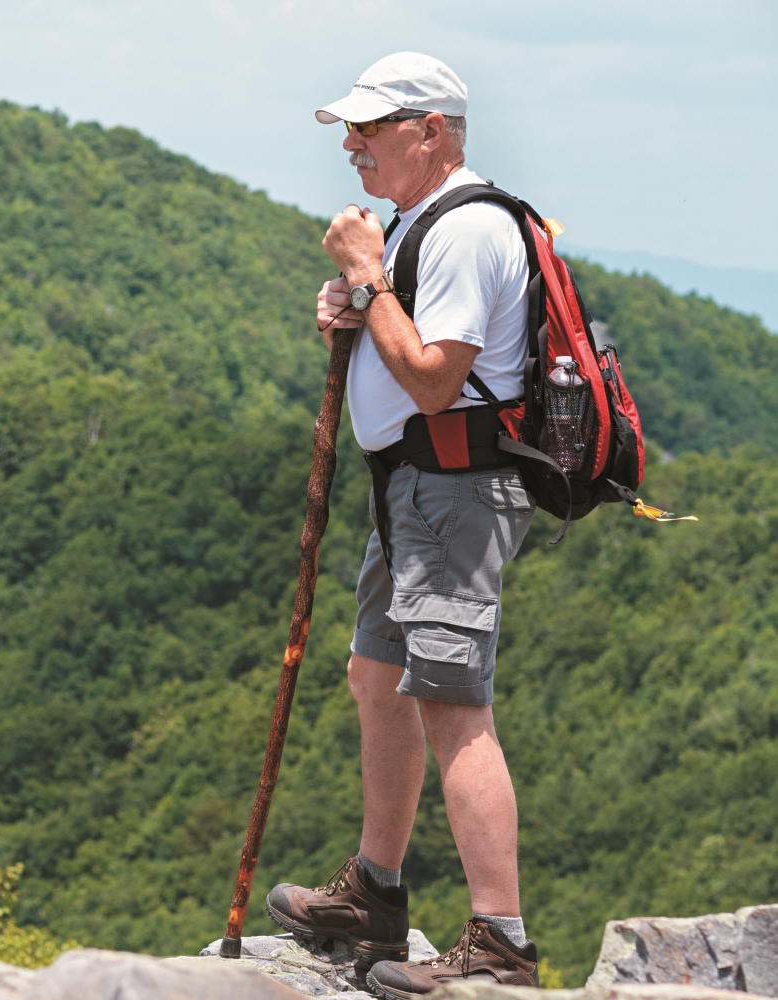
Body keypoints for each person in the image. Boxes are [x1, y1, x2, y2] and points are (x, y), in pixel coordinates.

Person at [263, 52, 541, 996]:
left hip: (455, 493)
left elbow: (433, 378)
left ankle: (500, 943)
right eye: (349, 128)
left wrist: (366, 280)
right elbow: (405, 348)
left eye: (370, 127)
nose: (351, 145)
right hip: (414, 493)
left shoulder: (466, 229)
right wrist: (354, 308)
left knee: (454, 704)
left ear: (431, 131)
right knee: (376, 675)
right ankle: (375, 894)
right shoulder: (418, 224)